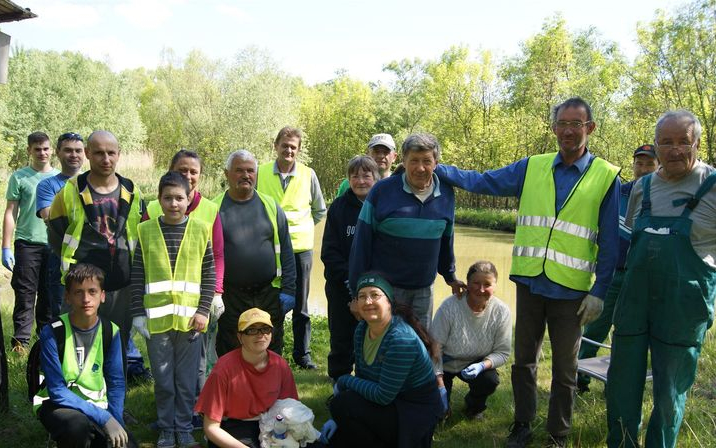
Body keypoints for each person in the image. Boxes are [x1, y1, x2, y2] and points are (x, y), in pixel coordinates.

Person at [435, 97, 620, 447]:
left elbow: (610, 241)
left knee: (565, 370)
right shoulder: (532, 166)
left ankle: (558, 434)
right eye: (562, 123)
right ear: (553, 128)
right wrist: (441, 169)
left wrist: (600, 291)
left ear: (590, 129)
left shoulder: (605, 176)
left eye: (576, 124)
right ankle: (522, 425)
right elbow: (484, 181)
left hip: (571, 291)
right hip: (531, 283)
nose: (568, 131)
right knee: (524, 362)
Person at [606, 110, 716, 448]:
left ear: (697, 143)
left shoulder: (712, 186)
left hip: (684, 308)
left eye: (683, 142)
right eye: (666, 142)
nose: (675, 150)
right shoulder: (642, 187)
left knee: (670, 395)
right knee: (622, 384)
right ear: (656, 146)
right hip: (635, 302)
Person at [131, 171, 214, 448]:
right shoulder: (145, 230)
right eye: (168, 198)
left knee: (187, 380)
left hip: (191, 321)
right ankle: (166, 428)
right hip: (156, 321)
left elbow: (208, 274)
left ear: (189, 199)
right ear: (159, 199)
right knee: (164, 380)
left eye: (179, 198)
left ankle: (184, 428)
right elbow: (137, 274)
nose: (174, 203)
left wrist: (204, 311)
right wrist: (137, 314)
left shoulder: (202, 229)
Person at [348, 133, 464, 330]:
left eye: (427, 161)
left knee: (420, 346)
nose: (420, 168)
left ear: (436, 162)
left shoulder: (446, 194)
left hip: (424, 291)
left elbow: (446, 239)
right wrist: (357, 292)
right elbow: (361, 244)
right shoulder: (382, 191)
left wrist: (450, 276)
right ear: (403, 161)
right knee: (383, 347)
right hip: (384, 290)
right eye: (414, 161)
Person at [47, 130, 144, 351]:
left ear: (119, 154)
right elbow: (55, 236)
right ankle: (79, 385)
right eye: (99, 153)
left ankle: (116, 385)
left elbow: (140, 232)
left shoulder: (132, 191)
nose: (106, 159)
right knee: (78, 345)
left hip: (122, 284)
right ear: (88, 154)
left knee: (118, 344)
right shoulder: (69, 192)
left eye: (111, 153)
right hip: (82, 285)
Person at [321, 272, 443, 448]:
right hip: (392, 402)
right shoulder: (362, 329)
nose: (368, 301)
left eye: (375, 295)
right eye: (362, 296)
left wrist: (344, 380)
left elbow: (382, 396)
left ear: (389, 302)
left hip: (414, 413)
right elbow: (363, 378)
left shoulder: (401, 339)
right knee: (341, 414)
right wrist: (338, 419)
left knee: (342, 404)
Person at [577, 144, 658, 393]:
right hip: (614, 274)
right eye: (639, 163)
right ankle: (578, 379)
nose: (642, 169)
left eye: (649, 165)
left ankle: (622, 384)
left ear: (658, 167)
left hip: (644, 278)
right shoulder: (618, 194)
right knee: (596, 327)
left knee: (632, 332)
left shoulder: (662, 198)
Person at [145, 149, 225, 397]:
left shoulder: (210, 210)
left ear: (200, 175)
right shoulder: (152, 208)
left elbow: (218, 255)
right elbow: (144, 257)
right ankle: (170, 408)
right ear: (171, 171)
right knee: (165, 359)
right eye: (182, 170)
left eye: (194, 171)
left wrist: (216, 293)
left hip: (197, 301)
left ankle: (195, 406)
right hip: (162, 304)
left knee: (198, 357)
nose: (188, 175)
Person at [33, 263, 136, 448]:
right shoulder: (52, 331)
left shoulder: (110, 331)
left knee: (126, 444)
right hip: (58, 405)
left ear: (102, 296)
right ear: (67, 296)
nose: (86, 298)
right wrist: (104, 418)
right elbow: (56, 391)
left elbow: (117, 383)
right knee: (76, 427)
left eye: (92, 291)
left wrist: (115, 420)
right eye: (78, 292)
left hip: (97, 406)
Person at [257, 127, 326, 369]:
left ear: (298, 150)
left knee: (302, 306)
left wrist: (304, 227)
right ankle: (268, 349)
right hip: (268, 250)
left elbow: (319, 210)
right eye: (284, 145)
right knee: (269, 301)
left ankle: (302, 355)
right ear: (275, 146)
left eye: (293, 147)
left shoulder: (309, 175)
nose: (288, 150)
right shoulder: (260, 172)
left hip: (300, 250)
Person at [216, 150, 296, 357]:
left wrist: (289, 289)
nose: (246, 175)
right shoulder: (214, 209)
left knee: (269, 349)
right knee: (232, 349)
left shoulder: (270, 206)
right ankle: (234, 389)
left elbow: (287, 250)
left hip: (268, 293)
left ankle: (270, 390)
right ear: (227, 174)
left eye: (250, 170)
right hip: (230, 296)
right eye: (239, 170)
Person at [195, 308, 299, 448]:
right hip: (234, 427)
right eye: (252, 330)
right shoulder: (224, 368)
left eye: (265, 329)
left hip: (270, 424)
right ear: (240, 337)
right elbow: (211, 428)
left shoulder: (280, 364)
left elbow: (291, 409)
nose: (260, 335)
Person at [321, 156, 379, 382]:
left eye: (366, 175)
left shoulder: (383, 207)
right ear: (348, 179)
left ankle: (371, 382)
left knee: (373, 336)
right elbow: (329, 252)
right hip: (340, 287)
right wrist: (351, 285)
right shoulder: (338, 208)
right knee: (341, 337)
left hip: (375, 288)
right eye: (355, 176)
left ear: (375, 178)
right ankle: (339, 382)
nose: (361, 180)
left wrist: (367, 288)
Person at [430, 260, 511, 420]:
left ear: (495, 286)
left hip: (474, 364)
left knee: (489, 380)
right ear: (467, 284)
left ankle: (474, 406)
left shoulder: (502, 312)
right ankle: (442, 402)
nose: (481, 289)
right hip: (444, 362)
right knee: (437, 416)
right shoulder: (449, 307)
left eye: (487, 284)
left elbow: (502, 352)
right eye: (476, 283)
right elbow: (434, 348)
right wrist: (439, 385)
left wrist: (482, 366)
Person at [3, 131, 60, 353]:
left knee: (49, 294)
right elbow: (10, 212)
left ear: (52, 150)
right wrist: (6, 246)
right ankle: (21, 342)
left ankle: (44, 340)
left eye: (46, 148)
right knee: (25, 293)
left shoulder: (60, 178)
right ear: (29, 151)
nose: (42, 153)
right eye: (37, 149)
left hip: (54, 244)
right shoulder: (19, 177)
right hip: (27, 243)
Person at [36, 132, 86, 318]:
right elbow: (50, 218)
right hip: (61, 258)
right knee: (63, 312)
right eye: (68, 150)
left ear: (85, 153)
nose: (74, 155)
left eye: (78, 150)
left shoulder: (93, 182)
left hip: (91, 256)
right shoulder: (47, 185)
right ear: (58, 153)